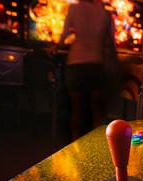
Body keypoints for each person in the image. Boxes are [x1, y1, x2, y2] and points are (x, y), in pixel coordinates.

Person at [50, 0, 118, 141]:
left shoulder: (74, 8)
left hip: (76, 65)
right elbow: (111, 42)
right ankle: (95, 143)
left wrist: (54, 48)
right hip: (96, 65)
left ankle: (75, 142)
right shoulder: (105, 14)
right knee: (97, 111)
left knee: (77, 110)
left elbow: (63, 36)